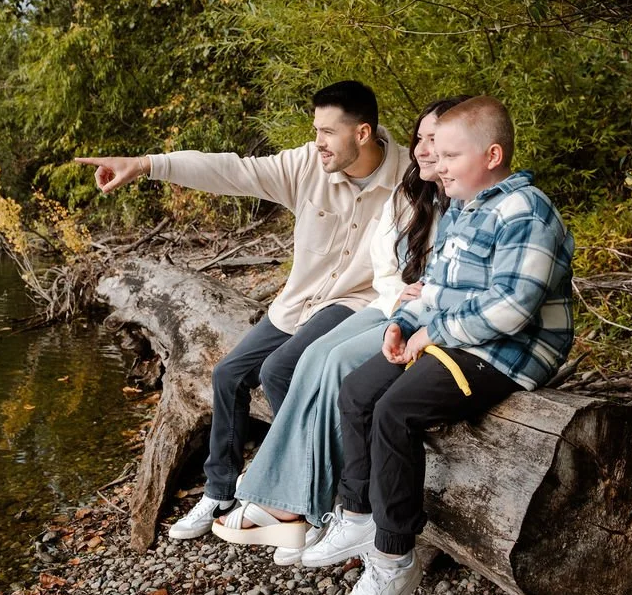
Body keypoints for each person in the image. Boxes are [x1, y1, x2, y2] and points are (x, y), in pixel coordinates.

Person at [75, 81, 409, 540]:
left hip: (356, 302)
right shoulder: (306, 165)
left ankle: (306, 495)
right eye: (316, 130)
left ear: (363, 133)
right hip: (297, 302)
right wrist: (146, 165)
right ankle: (221, 489)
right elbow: (231, 171)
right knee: (228, 375)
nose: (317, 143)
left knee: (279, 372)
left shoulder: (410, 178)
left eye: (328, 132)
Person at [312, 96, 575, 595]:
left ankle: (393, 557)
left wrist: (435, 332)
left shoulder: (525, 210)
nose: (437, 164)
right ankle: (358, 514)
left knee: (395, 412)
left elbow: (512, 307)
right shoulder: (462, 208)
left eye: (450, 154)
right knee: (359, 390)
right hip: (455, 337)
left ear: (493, 155)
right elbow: (437, 287)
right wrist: (404, 325)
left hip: (510, 351)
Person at [208, 97, 471, 560]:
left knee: (334, 368)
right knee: (295, 363)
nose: (426, 151)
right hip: (393, 306)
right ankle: (289, 499)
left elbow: (463, 282)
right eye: (422, 140)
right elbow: (387, 267)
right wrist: (149, 164)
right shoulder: (410, 193)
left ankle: (294, 504)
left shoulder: (469, 200)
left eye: (439, 142)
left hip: (415, 317)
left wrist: (421, 300)